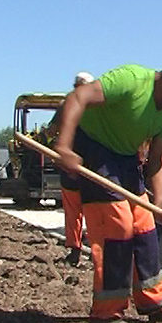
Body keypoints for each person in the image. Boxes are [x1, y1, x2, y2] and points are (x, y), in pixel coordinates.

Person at [54, 50, 162, 323]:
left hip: (126, 158)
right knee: (117, 228)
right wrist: (65, 146)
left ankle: (157, 304)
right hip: (93, 148)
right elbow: (76, 98)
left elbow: (156, 160)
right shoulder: (132, 80)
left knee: (144, 226)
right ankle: (106, 314)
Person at [60, 72, 94, 266]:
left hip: (91, 171)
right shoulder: (95, 110)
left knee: (94, 213)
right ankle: (75, 249)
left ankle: (85, 249)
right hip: (75, 170)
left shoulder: (70, 106)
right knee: (74, 213)